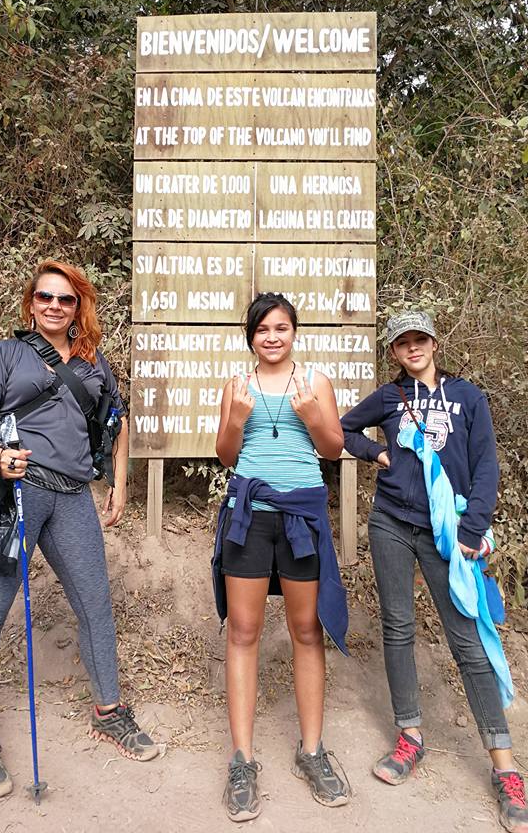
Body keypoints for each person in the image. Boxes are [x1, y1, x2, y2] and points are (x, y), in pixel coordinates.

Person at [0, 259, 159, 797]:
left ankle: (109, 711)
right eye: (45, 296)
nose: (54, 306)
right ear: (31, 303)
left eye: (65, 299)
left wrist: (119, 483)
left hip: (72, 496)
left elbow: (117, 421)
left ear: (77, 306)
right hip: (17, 490)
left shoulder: (92, 361)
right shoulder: (6, 354)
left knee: (95, 604)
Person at [341, 310, 528, 833]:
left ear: (433, 342)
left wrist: (473, 529)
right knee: (398, 629)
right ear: (393, 351)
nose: (413, 348)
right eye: (402, 342)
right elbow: (342, 429)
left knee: (467, 640)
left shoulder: (468, 397)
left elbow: (486, 465)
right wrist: (376, 453)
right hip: (390, 523)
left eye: (420, 339)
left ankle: (505, 767)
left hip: (446, 532)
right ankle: (410, 737)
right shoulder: (389, 397)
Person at [213, 292, 350, 822]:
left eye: (281, 328)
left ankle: (312, 751)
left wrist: (313, 415)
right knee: (243, 631)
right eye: (262, 329)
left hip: (302, 517)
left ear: (295, 332)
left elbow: (333, 448)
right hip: (249, 516)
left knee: (307, 631)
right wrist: (236, 419)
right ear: (250, 337)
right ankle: (242, 760)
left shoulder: (315, 382)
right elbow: (226, 454)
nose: (272, 337)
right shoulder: (236, 385)